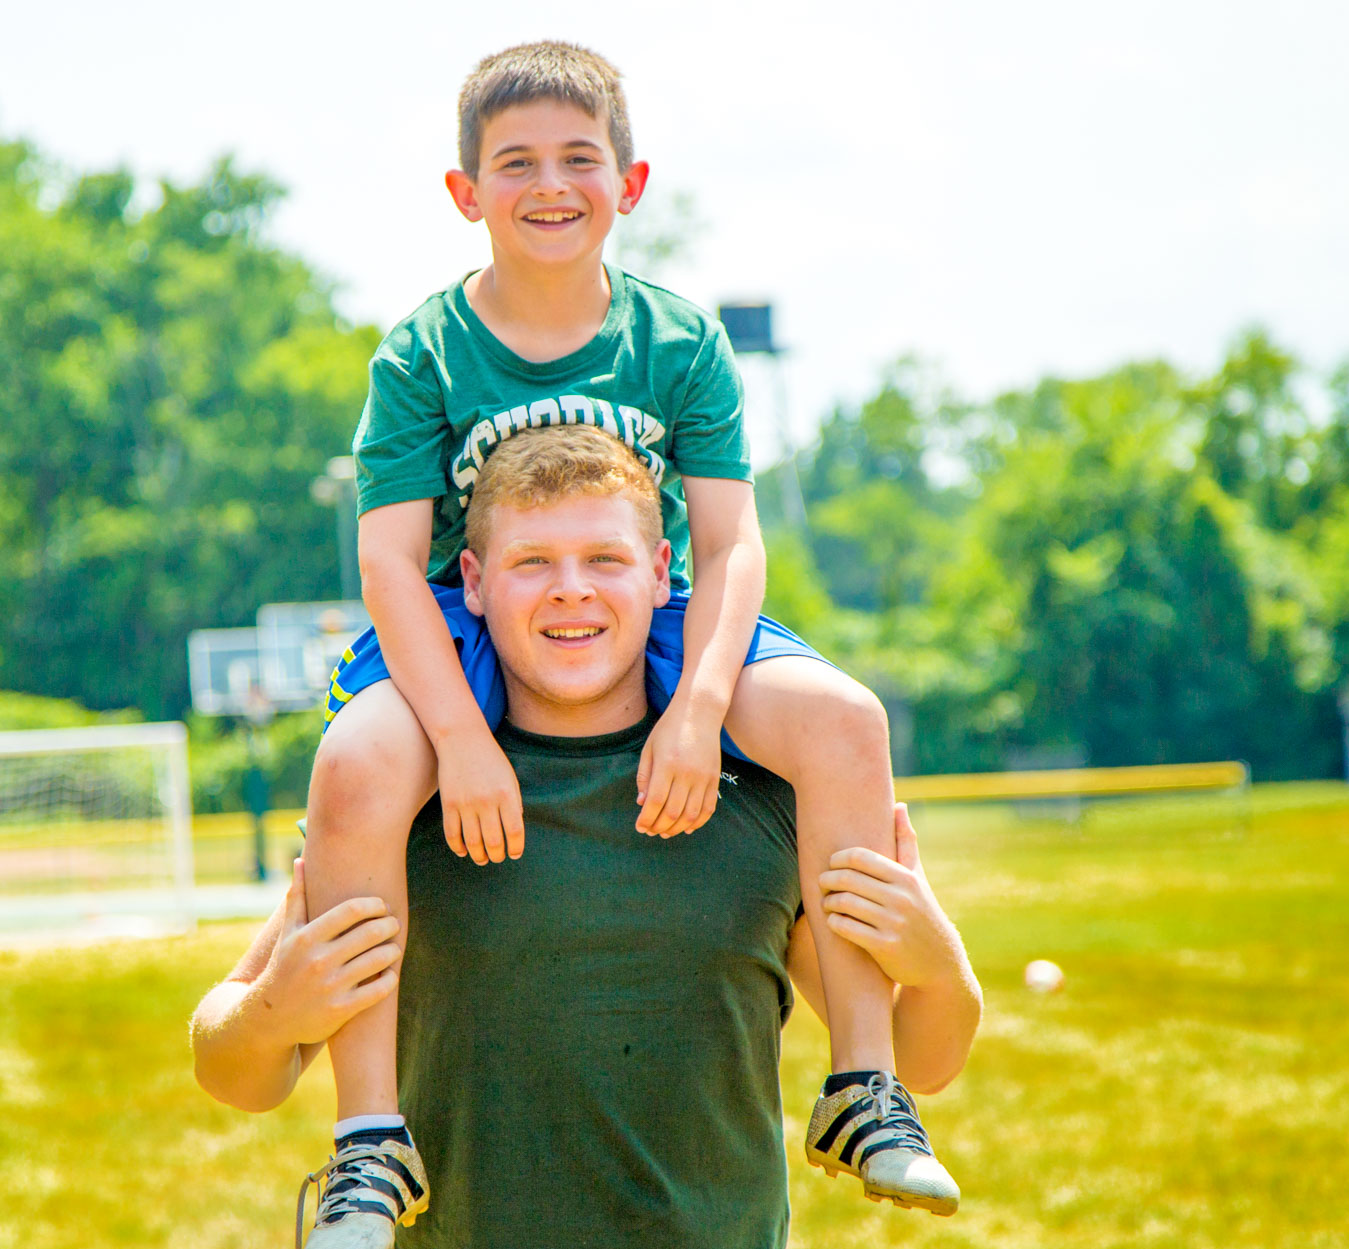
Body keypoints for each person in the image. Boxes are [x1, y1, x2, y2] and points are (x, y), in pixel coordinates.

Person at [297, 43, 936, 1240]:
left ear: (630, 183)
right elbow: (389, 559)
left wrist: (697, 708)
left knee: (848, 721)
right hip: (469, 614)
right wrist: (458, 740)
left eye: (578, 158)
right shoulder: (423, 351)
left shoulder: (680, 340)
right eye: (516, 162)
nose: (550, 184)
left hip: (660, 608)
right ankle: (369, 1140)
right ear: (464, 192)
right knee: (357, 766)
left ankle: (864, 1082)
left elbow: (733, 543)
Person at [201, 427, 984, 1247]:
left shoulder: (762, 798)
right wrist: (271, 1012)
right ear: (471, 582)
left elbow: (920, 1061)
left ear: (659, 574)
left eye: (605, 559)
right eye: (531, 561)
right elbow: (234, 1071)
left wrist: (939, 966)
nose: (571, 590)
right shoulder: (406, 798)